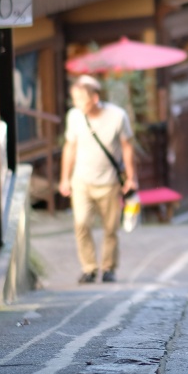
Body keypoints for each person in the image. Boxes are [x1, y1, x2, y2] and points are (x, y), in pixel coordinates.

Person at [59, 74, 138, 284]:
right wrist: (64, 178)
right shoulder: (74, 116)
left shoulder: (117, 116)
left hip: (109, 182)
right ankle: (89, 268)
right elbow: (70, 147)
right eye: (74, 99)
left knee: (110, 228)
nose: (76, 104)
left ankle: (109, 268)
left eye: (80, 99)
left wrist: (131, 177)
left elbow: (127, 146)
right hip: (81, 180)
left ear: (94, 98)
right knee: (81, 224)